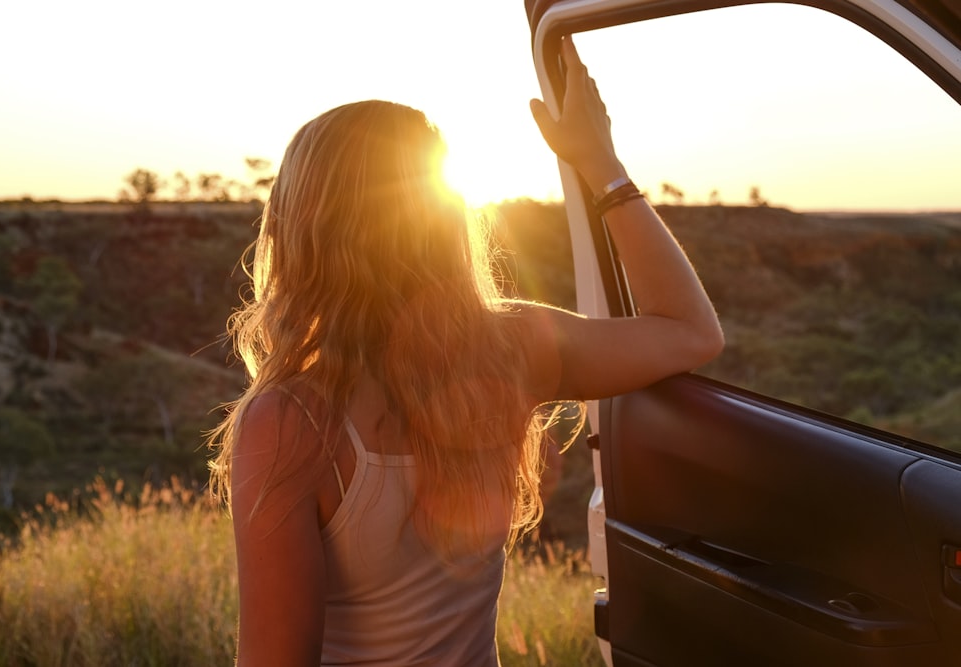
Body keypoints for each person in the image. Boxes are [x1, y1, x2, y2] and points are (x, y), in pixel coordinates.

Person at [208, 37, 723, 666]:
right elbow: (690, 330)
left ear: (297, 229)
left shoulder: (290, 422)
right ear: (445, 219)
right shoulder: (511, 348)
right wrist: (601, 168)